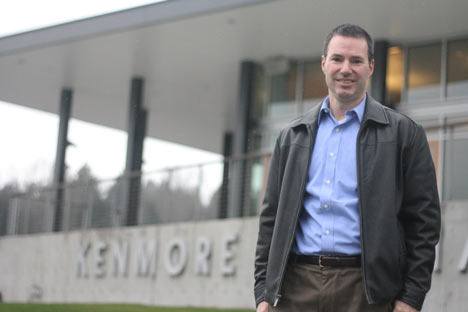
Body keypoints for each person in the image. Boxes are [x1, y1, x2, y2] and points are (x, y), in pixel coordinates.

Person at [254, 24, 440, 312]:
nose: (346, 68)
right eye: (338, 59)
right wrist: (264, 292)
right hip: (295, 289)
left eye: (356, 61)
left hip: (367, 292)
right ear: (324, 63)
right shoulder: (293, 136)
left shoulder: (405, 134)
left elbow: (424, 223)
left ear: (371, 67)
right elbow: (270, 220)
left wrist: (410, 298)